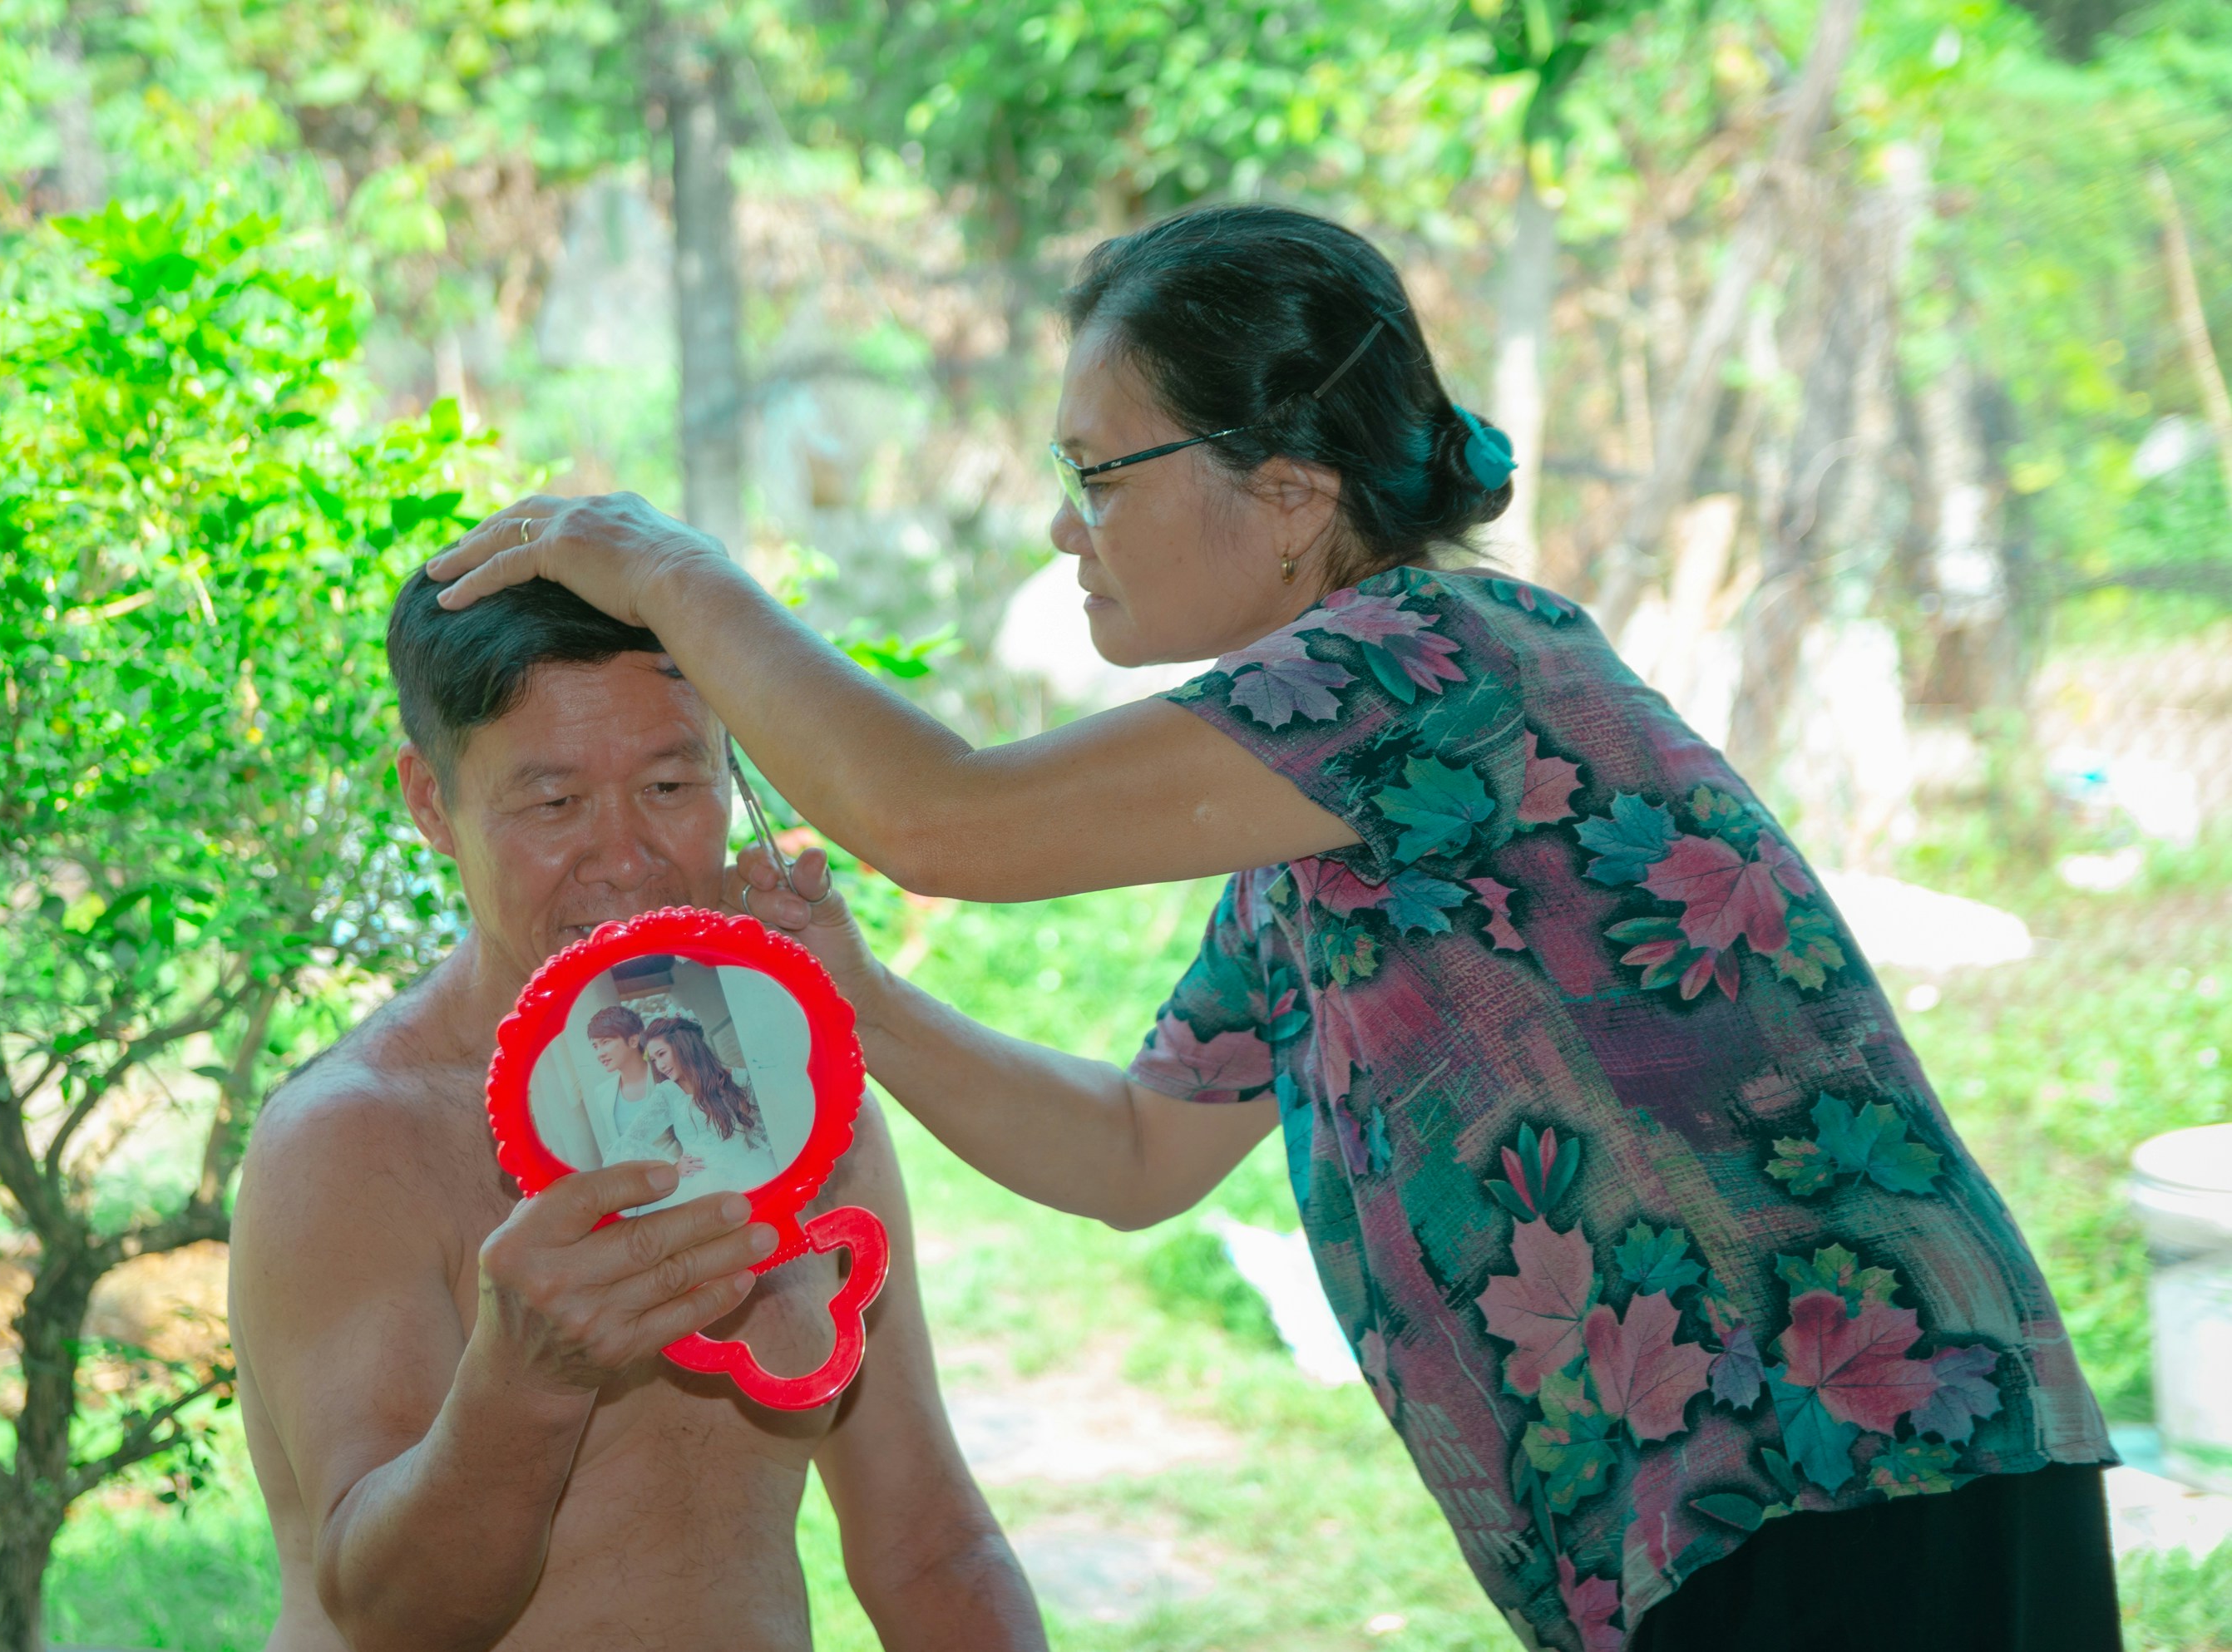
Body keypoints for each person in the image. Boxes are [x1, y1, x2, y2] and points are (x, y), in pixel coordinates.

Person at [425, 203, 2121, 1652]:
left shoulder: (1433, 664)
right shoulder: (1335, 829)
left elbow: (942, 815)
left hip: (1854, 1451)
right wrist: (849, 994)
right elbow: (1135, 1151)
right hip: (1756, 1503)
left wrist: (668, 571)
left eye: (1099, 471)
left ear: (1293, 493)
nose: (1059, 524)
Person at [225, 571, 1043, 1652]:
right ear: (432, 800)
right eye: (555, 803)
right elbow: (385, 1614)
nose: (627, 861)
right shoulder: (353, 1140)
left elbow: (929, 1542)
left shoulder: (791, 1091)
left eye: (671, 783)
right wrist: (523, 1379)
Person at [625, 1013, 783, 1196]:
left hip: (752, 1172)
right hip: (703, 1186)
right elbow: (630, 1142)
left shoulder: (737, 1078)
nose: (659, 1065)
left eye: (662, 1054)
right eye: (654, 1060)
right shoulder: (666, 1093)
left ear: (684, 1046)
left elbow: (761, 1129)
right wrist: (672, 1167)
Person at [585, 1004, 705, 1187]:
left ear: (633, 1041)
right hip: (636, 1189)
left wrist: (676, 1167)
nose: (599, 1053)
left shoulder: (666, 1074)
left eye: (606, 1042)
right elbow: (614, 1146)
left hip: (682, 1180)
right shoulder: (602, 1093)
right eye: (595, 1046)